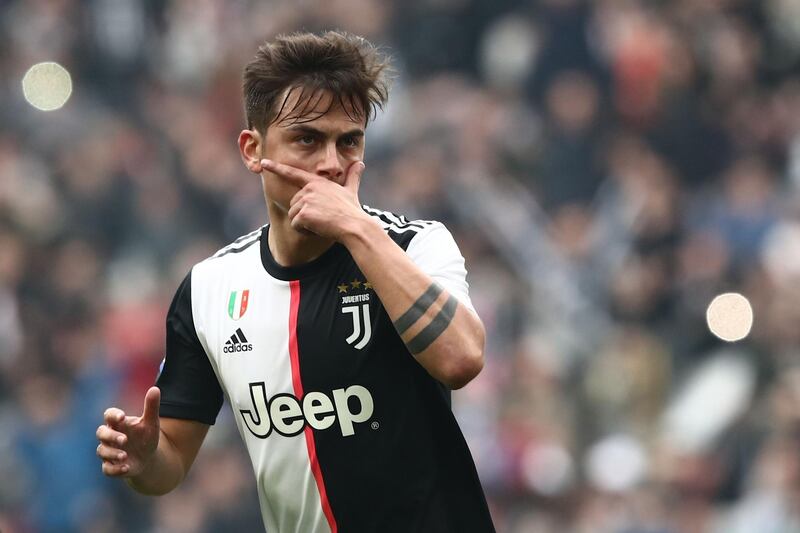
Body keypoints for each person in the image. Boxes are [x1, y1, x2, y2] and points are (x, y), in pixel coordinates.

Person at [95, 30, 495, 532]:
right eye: (307, 139)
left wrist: (355, 227)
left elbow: (461, 359)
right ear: (252, 150)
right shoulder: (209, 290)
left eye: (348, 141)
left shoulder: (416, 246)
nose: (330, 163)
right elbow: (169, 463)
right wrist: (145, 459)